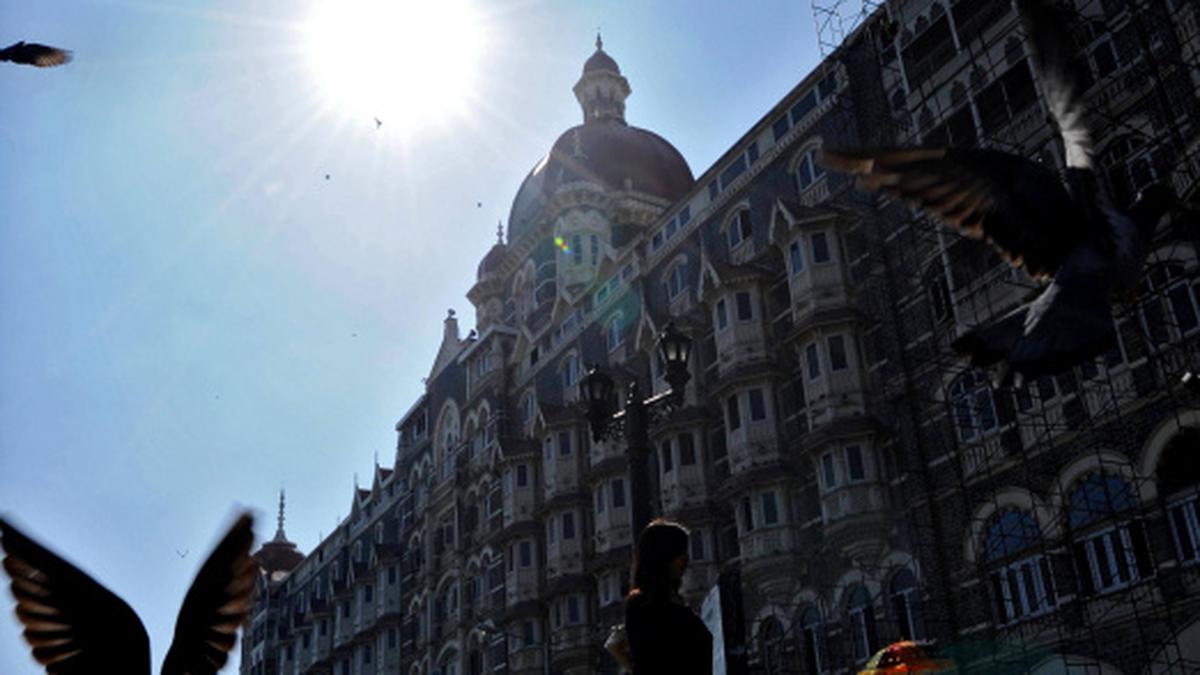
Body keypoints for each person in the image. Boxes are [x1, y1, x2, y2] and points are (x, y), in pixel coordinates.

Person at [621, 519, 713, 674]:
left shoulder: (677, 604)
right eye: (679, 552)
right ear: (663, 556)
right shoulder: (643, 607)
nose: (685, 559)